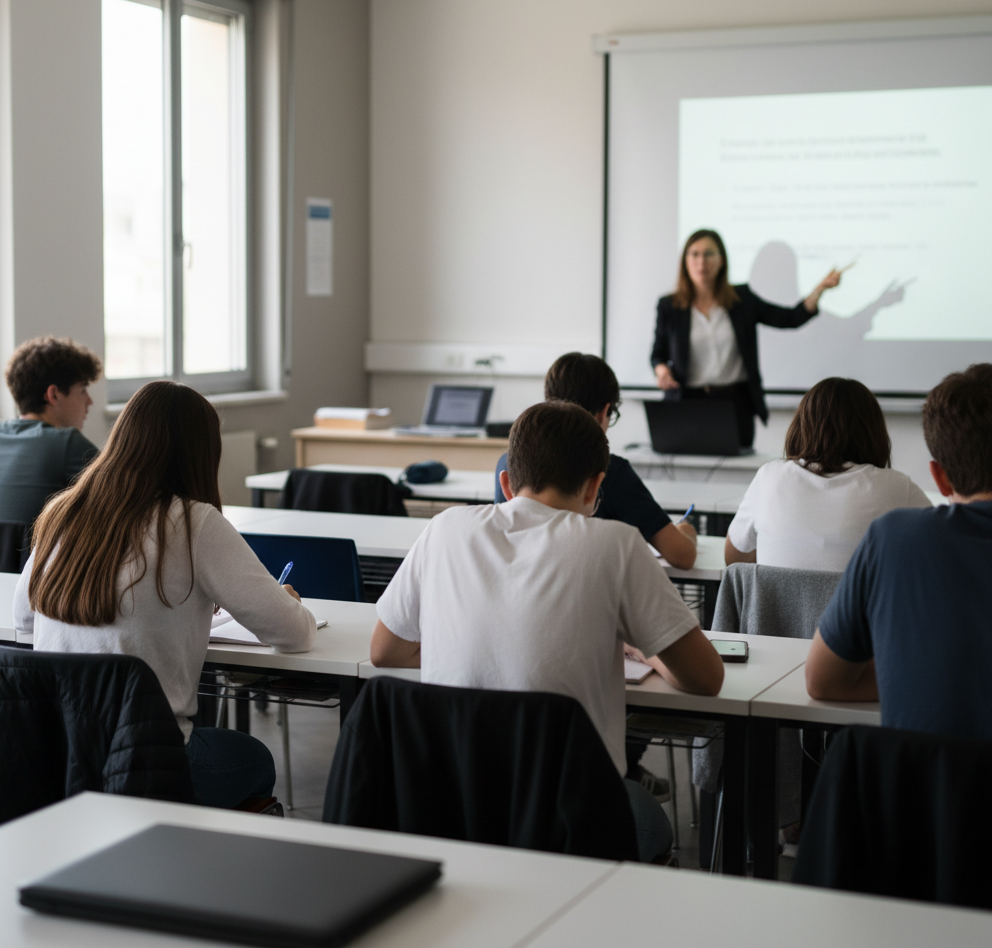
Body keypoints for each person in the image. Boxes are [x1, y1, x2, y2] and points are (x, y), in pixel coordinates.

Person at [371, 400, 724, 861]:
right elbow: (706, 678)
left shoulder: (443, 528)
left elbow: (384, 650)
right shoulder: (617, 544)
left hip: (450, 806)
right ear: (596, 487)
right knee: (644, 817)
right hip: (570, 820)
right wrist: (645, 647)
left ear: (505, 483)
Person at [13, 380, 316, 808]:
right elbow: (296, 635)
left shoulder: (64, 511)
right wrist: (288, 604)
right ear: (201, 454)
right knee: (254, 760)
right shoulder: (194, 521)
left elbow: (24, 625)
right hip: (148, 763)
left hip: (57, 758)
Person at [804, 364, 992, 740]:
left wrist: (924, 670)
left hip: (926, 792)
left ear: (939, 477)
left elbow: (823, 682)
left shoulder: (893, 538)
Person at [494, 353, 698, 570]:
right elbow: (682, 556)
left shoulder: (508, 462)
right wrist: (686, 530)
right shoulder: (611, 471)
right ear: (603, 413)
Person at [651, 230, 842, 448]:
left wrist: (819, 290)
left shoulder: (742, 300)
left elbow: (789, 318)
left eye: (708, 254)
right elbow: (658, 353)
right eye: (694, 254)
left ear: (721, 260)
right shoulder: (670, 306)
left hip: (734, 404)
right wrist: (661, 370)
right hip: (688, 403)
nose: (701, 261)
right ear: (685, 261)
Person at [725, 378, 931, 571]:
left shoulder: (769, 477)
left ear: (801, 426)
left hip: (777, 611)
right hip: (861, 611)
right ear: (873, 431)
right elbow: (944, 549)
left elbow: (734, 559)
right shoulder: (897, 488)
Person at [0, 336, 101, 526]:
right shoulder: (66, 443)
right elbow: (129, 495)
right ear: (53, 394)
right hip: (34, 556)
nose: (89, 401)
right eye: (82, 390)